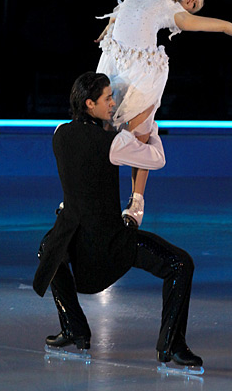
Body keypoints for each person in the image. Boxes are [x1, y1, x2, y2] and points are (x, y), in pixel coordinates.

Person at [33, 71, 203, 369]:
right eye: (108, 98)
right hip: (109, 243)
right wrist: (152, 129)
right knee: (180, 264)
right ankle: (171, 346)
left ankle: (74, 328)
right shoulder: (112, 143)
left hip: (71, 235)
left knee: (49, 248)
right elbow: (156, 159)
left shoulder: (59, 132)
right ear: (89, 104)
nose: (113, 102)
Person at [95, 0, 232, 227]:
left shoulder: (173, 12)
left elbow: (223, 26)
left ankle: (137, 199)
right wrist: (111, 25)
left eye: (195, 4)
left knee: (138, 136)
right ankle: (91, 195)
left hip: (142, 70)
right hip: (114, 62)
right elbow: (121, 13)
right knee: (101, 132)